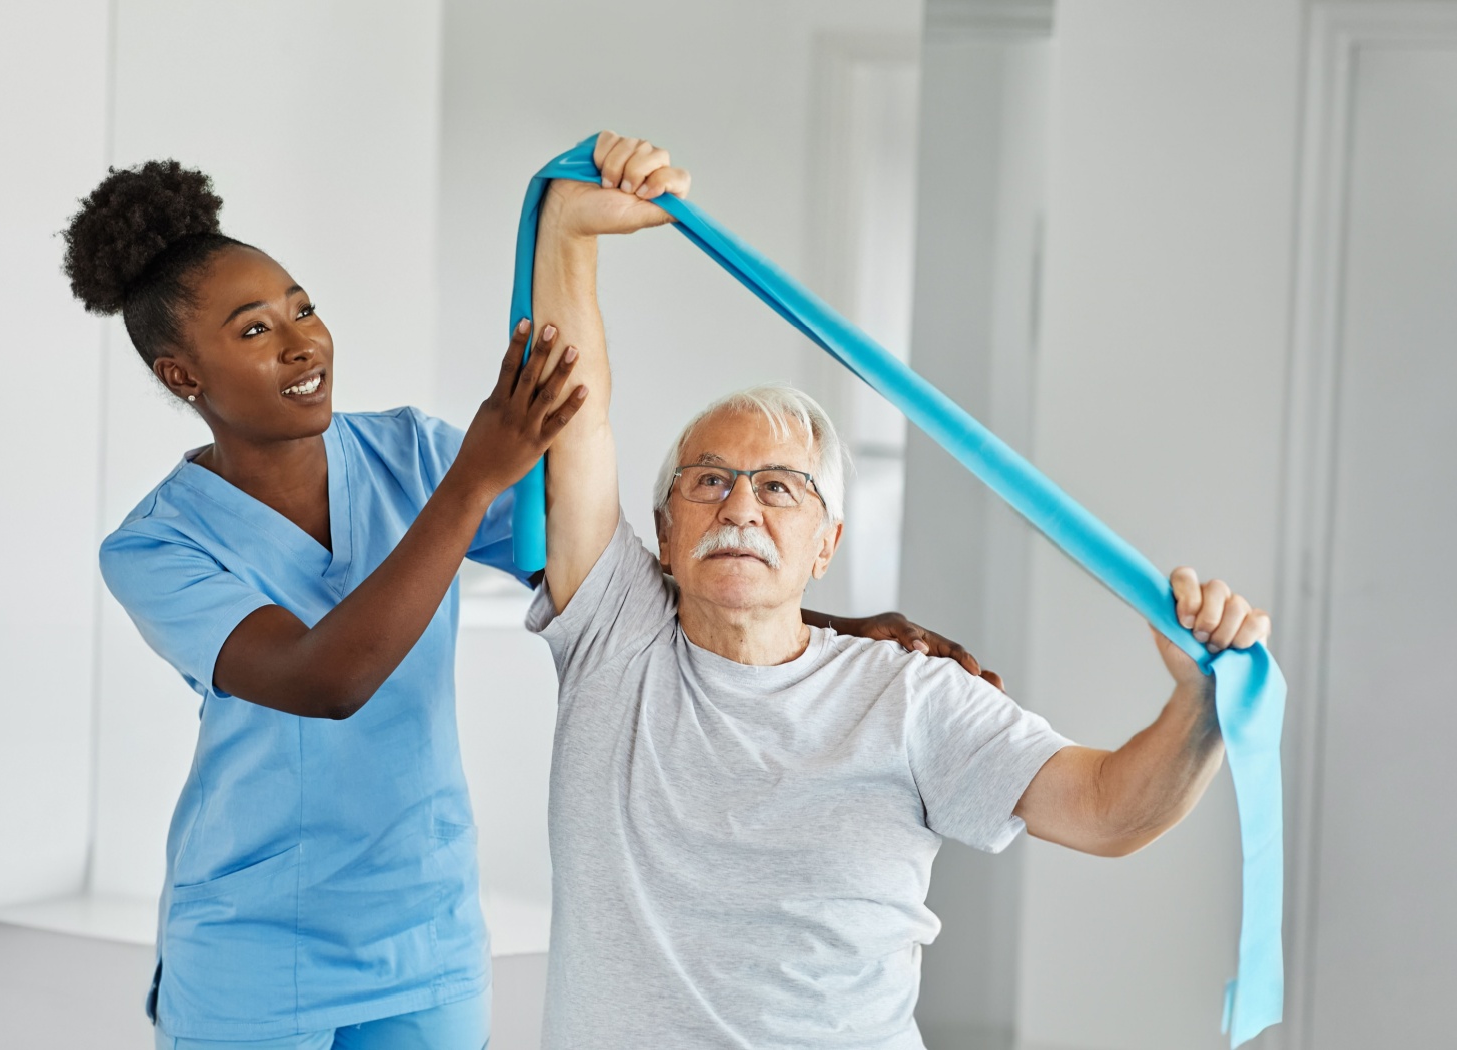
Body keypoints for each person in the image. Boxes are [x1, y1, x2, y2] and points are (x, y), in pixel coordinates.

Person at [61, 149, 987, 1049]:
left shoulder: (409, 454)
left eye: (304, 310)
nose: (302, 341)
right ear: (183, 375)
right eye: (254, 329)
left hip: (425, 941)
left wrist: (819, 624)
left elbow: (607, 589)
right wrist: (474, 479)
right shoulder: (157, 545)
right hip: (253, 958)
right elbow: (327, 678)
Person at [522, 133, 1274, 1048]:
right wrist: (568, 229)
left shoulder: (909, 695)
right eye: (707, 480)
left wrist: (1201, 704)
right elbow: (573, 417)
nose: (742, 507)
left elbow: (1109, 812)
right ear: (666, 535)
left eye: (781, 485)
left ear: (826, 544)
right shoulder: (616, 637)